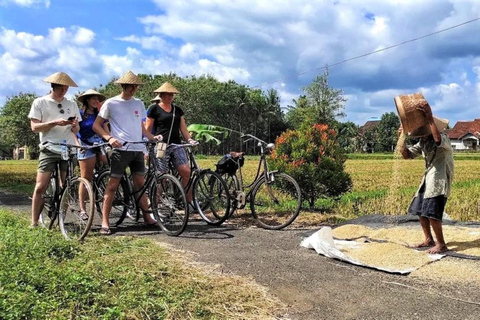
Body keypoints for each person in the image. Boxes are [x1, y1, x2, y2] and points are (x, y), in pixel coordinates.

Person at [93, 71, 161, 235]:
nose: (134, 89)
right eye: (131, 86)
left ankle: (147, 217)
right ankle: (105, 222)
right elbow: (97, 125)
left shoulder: (138, 103)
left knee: (140, 184)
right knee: (113, 185)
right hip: (121, 149)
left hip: (138, 149)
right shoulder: (111, 103)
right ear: (124, 86)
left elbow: (141, 126)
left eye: (136, 86)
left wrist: (152, 137)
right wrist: (109, 138)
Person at [399, 103, 454, 254]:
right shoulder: (423, 142)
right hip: (427, 179)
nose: (423, 134)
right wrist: (401, 138)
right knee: (420, 210)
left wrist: (429, 117)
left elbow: (437, 139)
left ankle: (441, 244)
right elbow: (407, 155)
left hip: (439, 179)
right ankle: (428, 239)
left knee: (432, 212)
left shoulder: (443, 137)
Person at [28, 72, 81, 227]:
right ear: (53, 86)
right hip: (49, 147)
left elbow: (77, 130)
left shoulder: (71, 104)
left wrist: (74, 125)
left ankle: (61, 220)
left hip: (68, 147)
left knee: (66, 186)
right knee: (40, 186)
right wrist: (55, 123)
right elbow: (34, 127)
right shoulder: (40, 102)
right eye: (60, 87)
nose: (63, 90)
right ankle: (34, 222)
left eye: (66, 88)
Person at [145, 82, 197, 206]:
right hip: (161, 145)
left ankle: (185, 200)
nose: (170, 97)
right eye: (167, 94)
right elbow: (147, 128)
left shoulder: (177, 110)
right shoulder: (154, 109)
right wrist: (150, 140)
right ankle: (154, 205)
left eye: (172, 95)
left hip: (176, 145)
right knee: (162, 176)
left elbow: (183, 128)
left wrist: (189, 140)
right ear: (161, 95)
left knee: (186, 172)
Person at [76, 89, 109, 218]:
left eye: (98, 99)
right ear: (87, 100)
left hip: (99, 144)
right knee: (86, 178)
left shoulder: (100, 115)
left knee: (110, 167)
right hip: (85, 145)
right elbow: (75, 130)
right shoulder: (80, 114)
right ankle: (83, 209)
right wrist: (79, 145)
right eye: (93, 99)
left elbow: (105, 129)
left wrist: (111, 140)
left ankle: (102, 187)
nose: (96, 101)